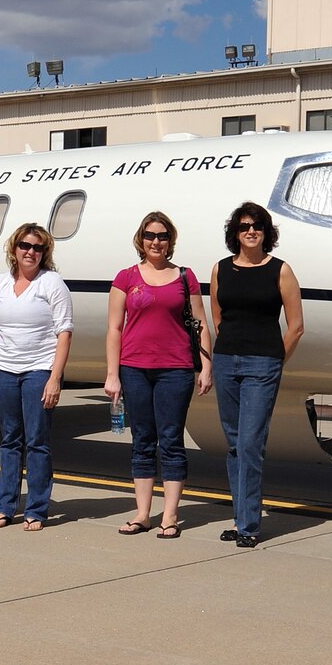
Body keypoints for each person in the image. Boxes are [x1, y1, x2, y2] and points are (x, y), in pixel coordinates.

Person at [104, 210, 212, 539]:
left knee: (171, 442)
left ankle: (170, 516)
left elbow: (200, 323)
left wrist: (206, 365)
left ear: (170, 241)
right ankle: (142, 513)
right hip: (134, 368)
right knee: (142, 442)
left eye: (162, 236)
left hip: (175, 369)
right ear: (141, 239)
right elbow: (114, 328)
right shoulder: (126, 277)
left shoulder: (185, 277)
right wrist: (112, 374)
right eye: (150, 235)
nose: (156, 241)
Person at [209, 202, 304, 548]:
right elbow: (218, 317)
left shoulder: (280, 270)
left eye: (258, 226)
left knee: (250, 444)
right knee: (234, 445)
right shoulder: (221, 269)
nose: (251, 231)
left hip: (262, 364)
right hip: (226, 362)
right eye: (245, 226)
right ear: (235, 232)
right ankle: (240, 518)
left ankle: (249, 524)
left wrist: (275, 360)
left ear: (267, 233)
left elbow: (296, 327)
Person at [0, 223, 74, 531]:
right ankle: (5, 506)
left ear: (45, 253)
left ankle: (36, 509)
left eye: (37, 247)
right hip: (3, 370)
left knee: (37, 441)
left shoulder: (52, 284)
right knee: (9, 440)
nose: (30, 252)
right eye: (25, 246)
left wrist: (55, 378)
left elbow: (64, 332)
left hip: (38, 370)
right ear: (14, 249)